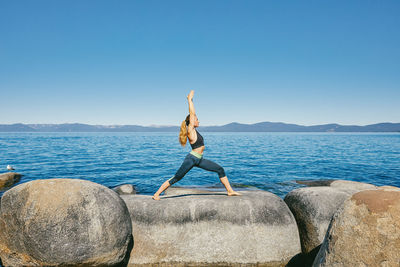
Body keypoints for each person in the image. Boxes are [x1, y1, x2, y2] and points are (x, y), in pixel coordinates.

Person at [152, 90, 241, 200]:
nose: (198, 121)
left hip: (199, 159)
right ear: (192, 122)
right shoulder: (191, 130)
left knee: (220, 169)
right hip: (192, 159)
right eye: (197, 120)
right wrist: (190, 100)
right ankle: (156, 194)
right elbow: (192, 114)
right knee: (177, 177)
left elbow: (193, 116)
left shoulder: (195, 131)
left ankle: (230, 191)